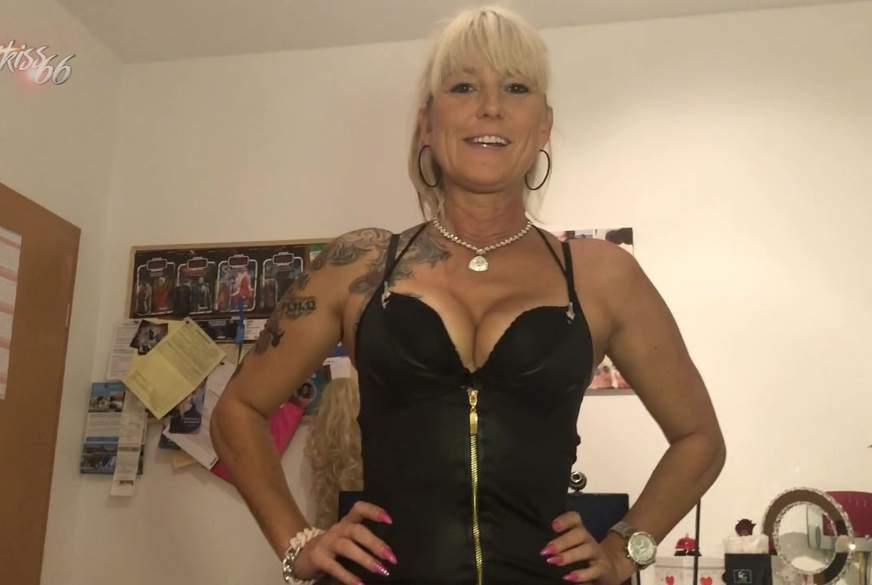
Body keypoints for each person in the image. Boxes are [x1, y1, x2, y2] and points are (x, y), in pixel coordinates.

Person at [210, 6, 726, 585]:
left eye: (516, 87)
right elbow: (237, 412)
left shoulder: (601, 275)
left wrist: (624, 549)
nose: (491, 106)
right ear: (428, 125)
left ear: (544, 126)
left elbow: (700, 440)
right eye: (463, 87)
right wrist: (296, 542)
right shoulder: (358, 265)